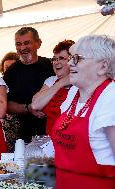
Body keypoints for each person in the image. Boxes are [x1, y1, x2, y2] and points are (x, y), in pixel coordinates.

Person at [51, 35, 115, 189]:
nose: (70, 63)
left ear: (103, 67)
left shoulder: (110, 98)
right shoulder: (74, 93)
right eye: (72, 57)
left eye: (78, 58)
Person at [3, 27, 55, 143]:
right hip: (25, 136)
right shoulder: (11, 72)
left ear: (38, 43)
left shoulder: (51, 65)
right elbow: (6, 104)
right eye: (18, 44)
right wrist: (28, 108)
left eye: (27, 43)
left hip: (54, 133)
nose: (22, 48)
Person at [32, 40, 74, 135]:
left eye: (61, 58)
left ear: (73, 61)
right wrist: (60, 83)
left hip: (70, 138)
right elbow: (35, 104)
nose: (56, 62)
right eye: (54, 59)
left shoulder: (81, 82)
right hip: (51, 138)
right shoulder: (51, 80)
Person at [0, 52, 20, 152]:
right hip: (2, 131)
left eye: (12, 67)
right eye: (6, 67)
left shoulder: (23, 84)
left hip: (20, 130)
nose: (9, 70)